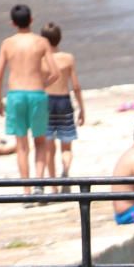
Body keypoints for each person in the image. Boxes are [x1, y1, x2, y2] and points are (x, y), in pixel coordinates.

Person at [0, 4, 60, 198]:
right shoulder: (41, 42)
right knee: (40, 142)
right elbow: (55, 72)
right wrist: (42, 83)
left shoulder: (7, 43)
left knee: (21, 145)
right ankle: (39, 183)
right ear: (31, 20)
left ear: (12, 23)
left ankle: (26, 190)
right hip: (36, 92)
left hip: (15, 95)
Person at [40, 23, 86, 187]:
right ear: (60, 38)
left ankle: (53, 187)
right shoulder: (68, 58)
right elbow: (75, 86)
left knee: (48, 148)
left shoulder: (41, 59)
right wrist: (81, 109)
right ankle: (65, 172)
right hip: (64, 101)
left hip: (46, 102)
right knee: (66, 146)